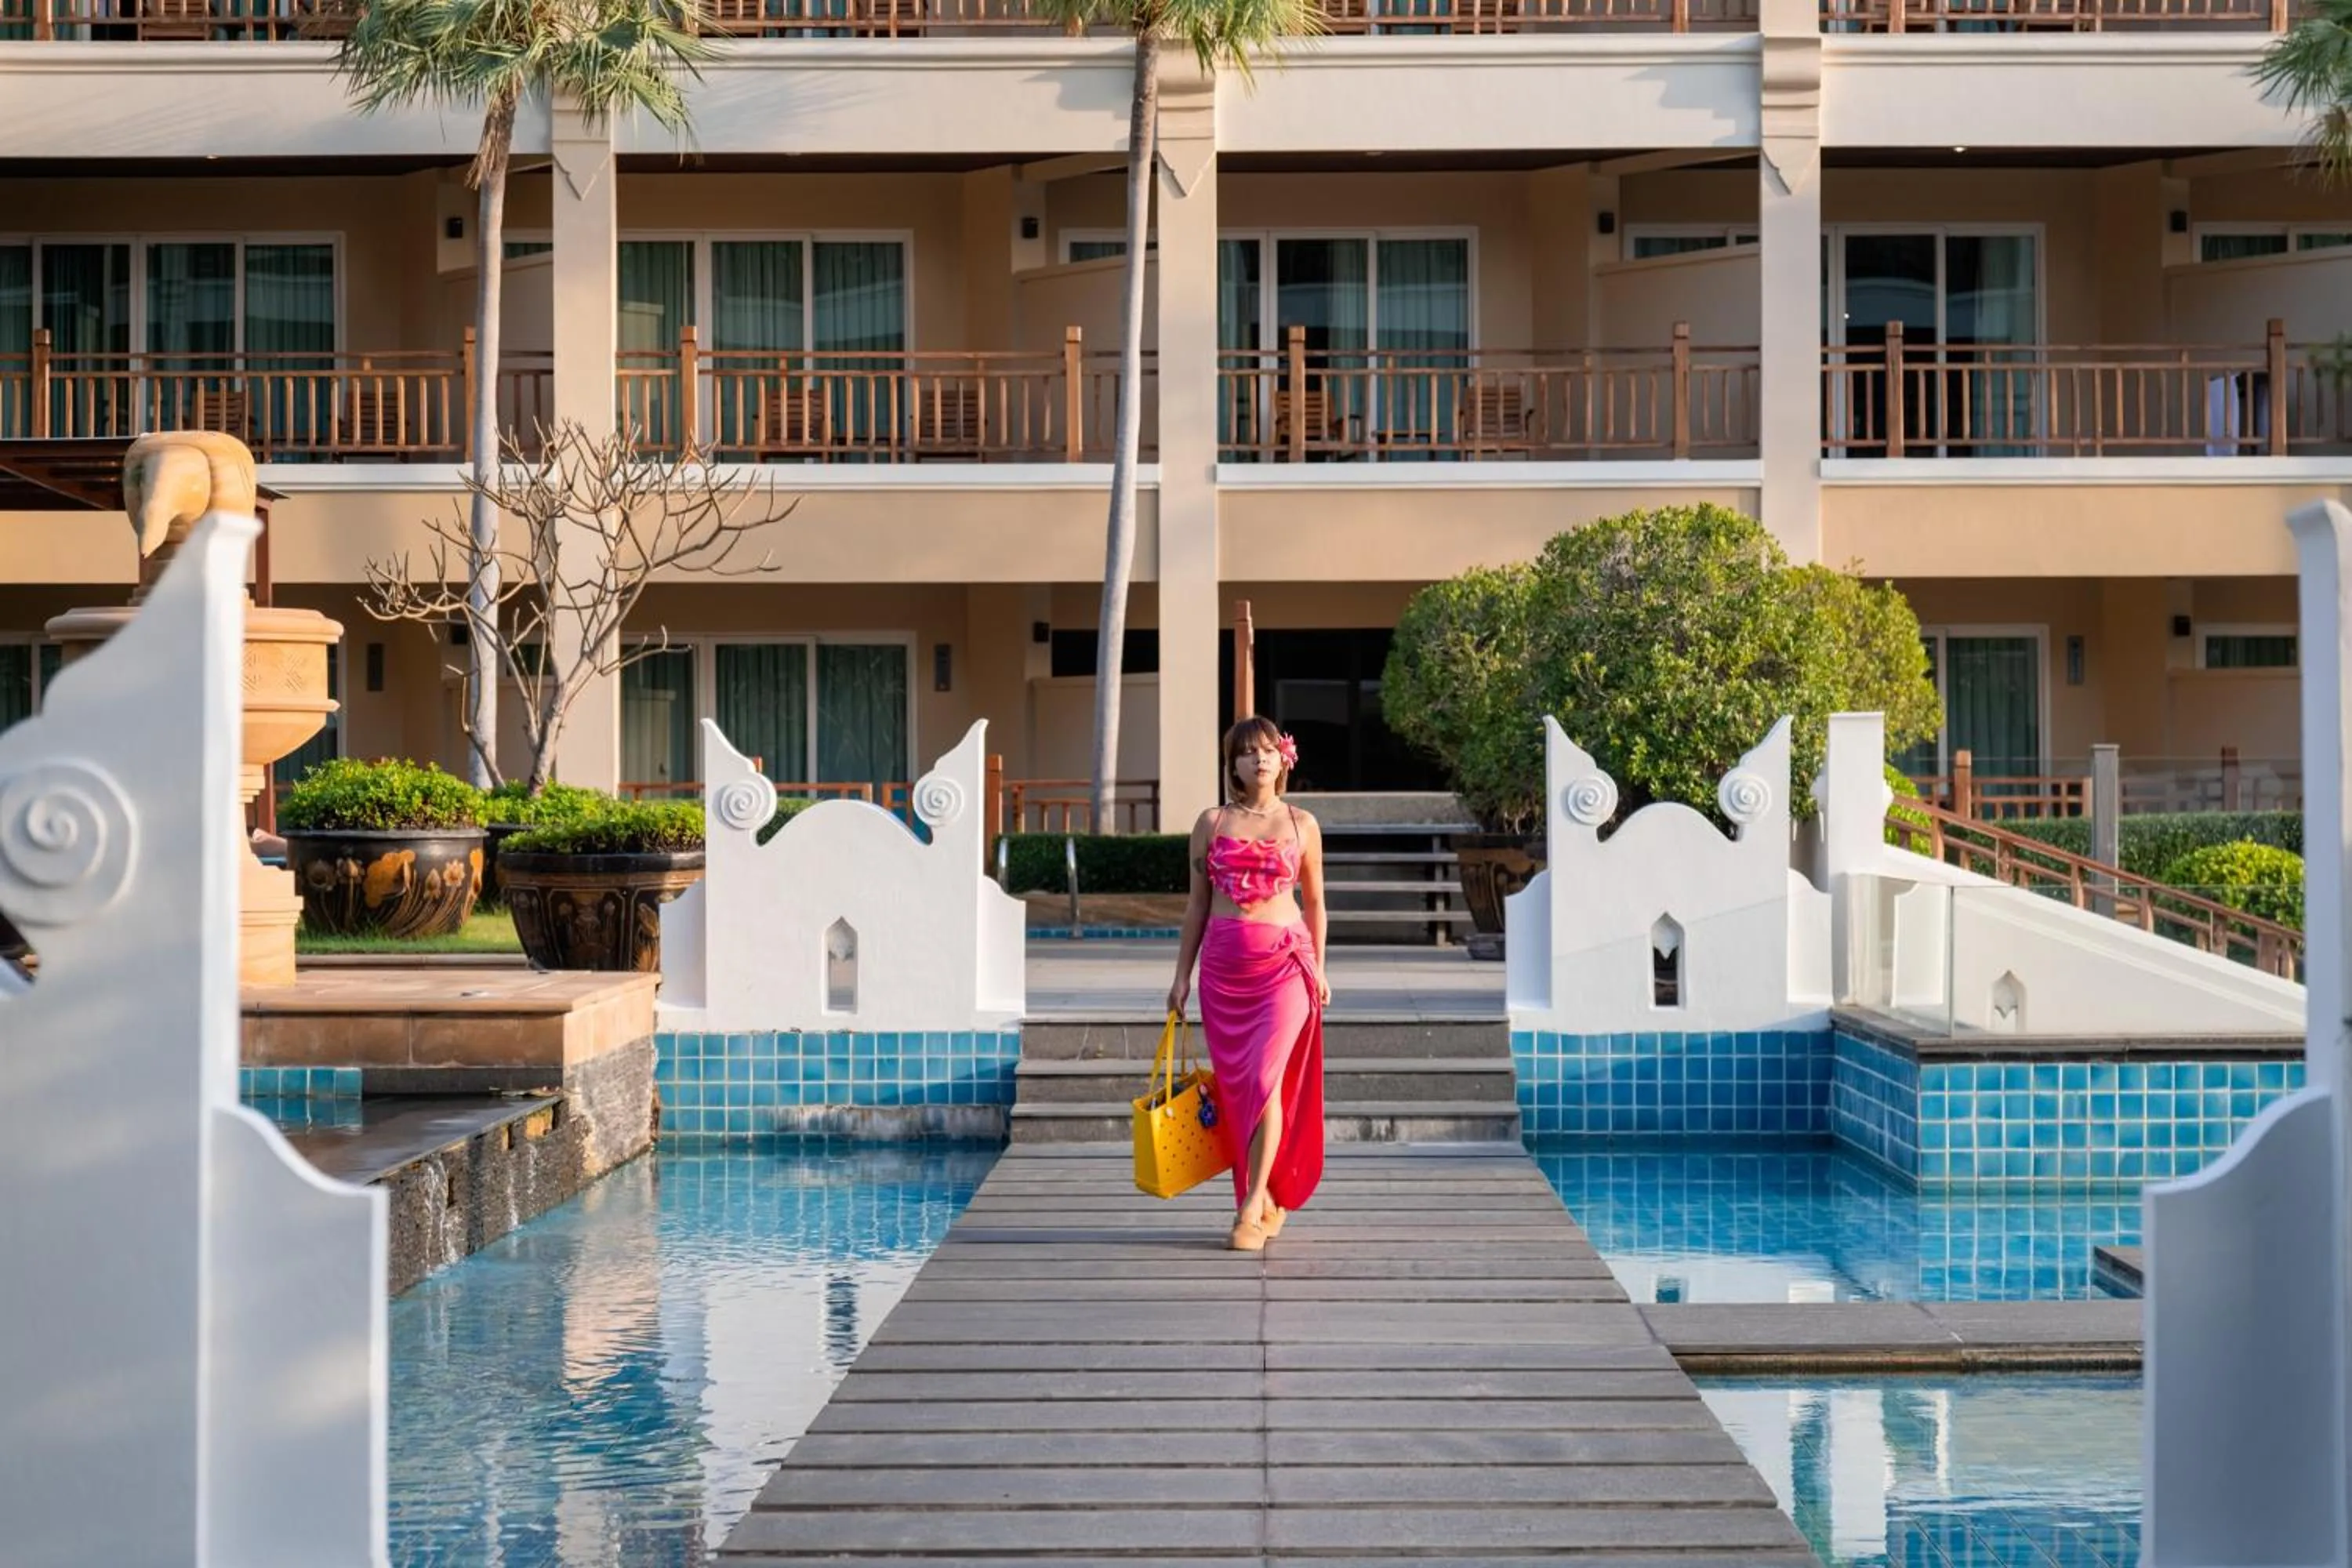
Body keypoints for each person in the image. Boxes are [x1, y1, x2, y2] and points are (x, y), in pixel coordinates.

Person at [1166, 716, 1329, 1252]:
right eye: (1246, 752)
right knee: (1243, 1095)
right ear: (1232, 764)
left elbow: (1316, 904)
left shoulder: (1303, 823)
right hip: (1222, 974)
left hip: (1285, 966)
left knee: (1264, 1079)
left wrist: (1321, 967)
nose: (1259, 759)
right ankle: (1267, 1198)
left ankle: (1249, 1206)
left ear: (1284, 758)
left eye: (1267, 750)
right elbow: (1195, 907)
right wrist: (1180, 977)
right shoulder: (1211, 823)